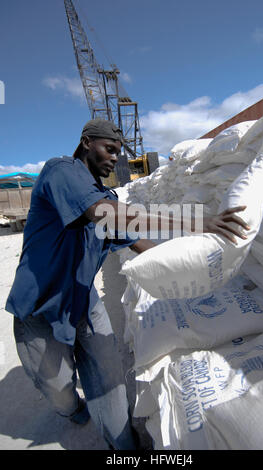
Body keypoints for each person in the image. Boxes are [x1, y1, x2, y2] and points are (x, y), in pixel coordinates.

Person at [5, 118, 250, 450]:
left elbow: (136, 243)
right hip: (40, 308)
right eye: (109, 149)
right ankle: (73, 407)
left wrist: (194, 262)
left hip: (84, 300)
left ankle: (124, 448)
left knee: (109, 380)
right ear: (86, 141)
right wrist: (198, 221)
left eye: (118, 152)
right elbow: (103, 213)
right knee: (59, 391)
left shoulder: (104, 195)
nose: (113, 159)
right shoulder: (60, 171)